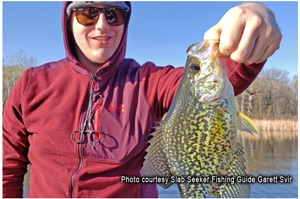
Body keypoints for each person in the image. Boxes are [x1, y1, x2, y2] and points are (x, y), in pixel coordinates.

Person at [3, 1, 281, 198]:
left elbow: (222, 83)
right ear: (67, 18)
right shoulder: (32, 84)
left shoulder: (149, 81)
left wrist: (255, 20)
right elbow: (7, 168)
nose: (102, 25)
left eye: (114, 14)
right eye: (88, 13)